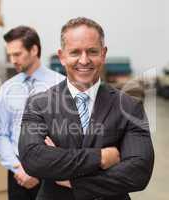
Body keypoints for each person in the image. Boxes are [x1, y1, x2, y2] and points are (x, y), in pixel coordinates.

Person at [19, 17, 154, 200]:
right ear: (62, 56)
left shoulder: (129, 106)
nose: (84, 60)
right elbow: (33, 159)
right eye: (75, 52)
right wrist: (101, 157)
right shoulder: (39, 104)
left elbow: (138, 172)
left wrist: (72, 180)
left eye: (92, 51)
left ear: (103, 54)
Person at [0, 26, 65, 200]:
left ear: (34, 50)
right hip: (18, 175)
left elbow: (66, 133)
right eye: (10, 55)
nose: (13, 60)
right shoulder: (7, 88)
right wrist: (17, 167)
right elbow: (1, 134)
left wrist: (41, 167)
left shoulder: (60, 84)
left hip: (51, 172)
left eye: (17, 54)